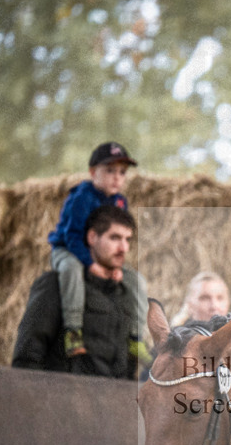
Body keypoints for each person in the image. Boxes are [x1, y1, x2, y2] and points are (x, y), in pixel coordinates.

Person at [47, 141, 150, 365]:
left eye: (122, 172)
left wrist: (115, 267)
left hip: (100, 257)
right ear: (93, 172)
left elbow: (116, 239)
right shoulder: (81, 197)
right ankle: (73, 330)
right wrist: (89, 264)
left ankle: (135, 336)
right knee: (71, 270)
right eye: (110, 170)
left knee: (137, 281)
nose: (117, 177)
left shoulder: (120, 201)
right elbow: (73, 235)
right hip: (68, 250)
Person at [13, 205, 143, 379]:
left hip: (111, 401)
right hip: (62, 400)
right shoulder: (56, 284)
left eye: (128, 239)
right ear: (92, 237)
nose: (123, 248)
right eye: (115, 238)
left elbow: (129, 363)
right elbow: (27, 355)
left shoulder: (126, 293)